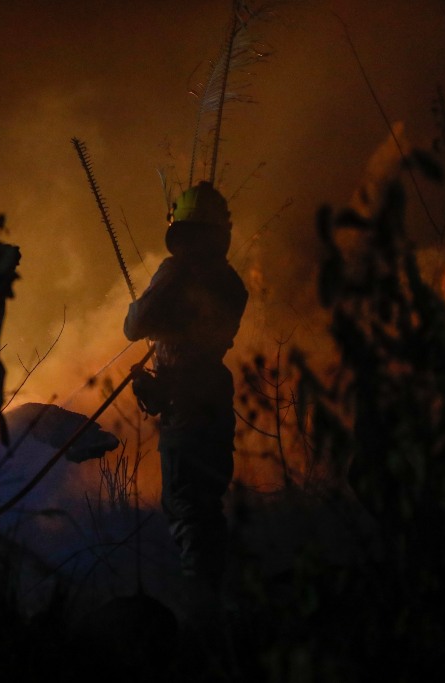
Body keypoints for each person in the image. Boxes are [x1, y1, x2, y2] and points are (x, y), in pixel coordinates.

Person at [123, 181, 248, 595]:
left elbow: (134, 326)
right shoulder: (232, 284)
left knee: (187, 509)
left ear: (180, 229)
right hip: (216, 405)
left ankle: (203, 607)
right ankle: (225, 597)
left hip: (186, 411)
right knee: (207, 506)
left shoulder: (175, 272)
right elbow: (200, 340)